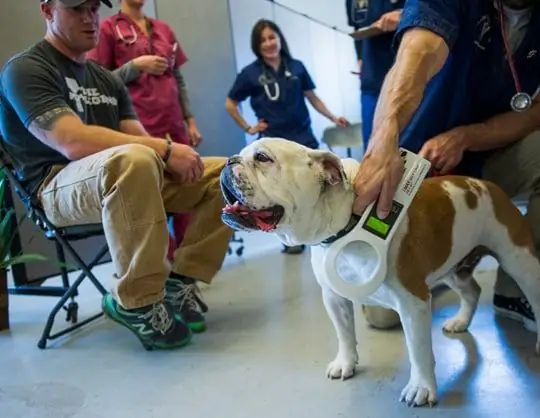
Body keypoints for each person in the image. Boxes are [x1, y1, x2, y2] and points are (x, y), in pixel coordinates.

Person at [0, 0, 233, 350]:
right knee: (137, 160)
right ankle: (137, 301)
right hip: (54, 188)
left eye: (94, 8)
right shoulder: (26, 69)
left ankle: (181, 282)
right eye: (77, 9)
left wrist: (173, 154)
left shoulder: (105, 80)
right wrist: (165, 150)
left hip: (123, 177)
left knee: (228, 173)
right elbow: (72, 141)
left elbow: (139, 138)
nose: (90, 18)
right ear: (48, 11)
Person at [352, 0, 540, 336]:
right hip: (420, 156)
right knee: (382, 316)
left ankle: (516, 292)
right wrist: (384, 138)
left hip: (492, 153)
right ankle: (446, 263)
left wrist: (465, 138)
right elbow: (419, 51)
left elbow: (538, 109)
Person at [86, 0, 202, 264]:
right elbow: (99, 83)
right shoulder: (107, 29)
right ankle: (161, 265)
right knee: (154, 197)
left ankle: (186, 264)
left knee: (190, 188)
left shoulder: (163, 29)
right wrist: (135, 66)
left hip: (174, 124)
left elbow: (178, 78)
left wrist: (190, 120)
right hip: (139, 126)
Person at [225, 19, 350, 255]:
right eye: (262, 40)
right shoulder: (250, 73)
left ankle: (322, 232)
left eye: (272, 37)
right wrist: (248, 127)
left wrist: (333, 117)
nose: (268, 43)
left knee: (314, 187)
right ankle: (290, 237)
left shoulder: (297, 67)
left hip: (302, 138)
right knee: (279, 194)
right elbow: (231, 103)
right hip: (271, 148)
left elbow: (313, 98)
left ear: (280, 38)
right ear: (256, 45)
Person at [346, 0, 404, 148]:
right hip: (371, 80)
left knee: (410, 146)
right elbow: (357, 26)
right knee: (373, 145)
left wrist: (404, 15)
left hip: (407, 76)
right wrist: (360, 58)